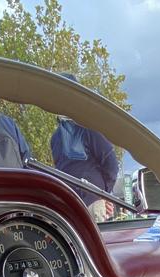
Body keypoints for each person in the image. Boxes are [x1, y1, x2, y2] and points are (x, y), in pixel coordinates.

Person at [50, 72, 119, 221]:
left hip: (82, 206)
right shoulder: (58, 137)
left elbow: (111, 164)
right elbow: (110, 164)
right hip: (74, 206)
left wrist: (103, 194)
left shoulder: (88, 127)